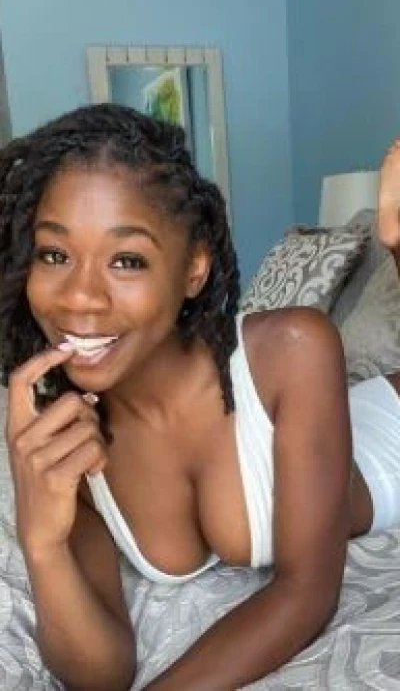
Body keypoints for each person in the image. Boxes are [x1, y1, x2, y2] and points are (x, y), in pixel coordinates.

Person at [0, 103, 397, 691]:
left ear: (193, 270)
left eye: (127, 260)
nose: (79, 298)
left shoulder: (294, 346)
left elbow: (306, 593)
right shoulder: (66, 429)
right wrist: (41, 540)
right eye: (54, 254)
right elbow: (102, 675)